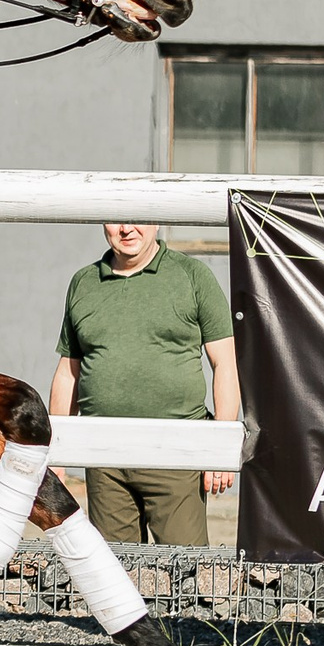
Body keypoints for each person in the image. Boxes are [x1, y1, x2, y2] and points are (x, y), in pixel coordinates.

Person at [48, 222, 240, 546]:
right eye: (115, 218)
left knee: (185, 574)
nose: (126, 228)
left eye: (137, 216)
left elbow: (225, 364)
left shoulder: (192, 276)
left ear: (157, 221)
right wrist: (56, 453)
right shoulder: (83, 282)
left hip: (178, 453)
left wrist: (220, 448)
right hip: (104, 457)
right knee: (114, 573)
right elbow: (69, 371)